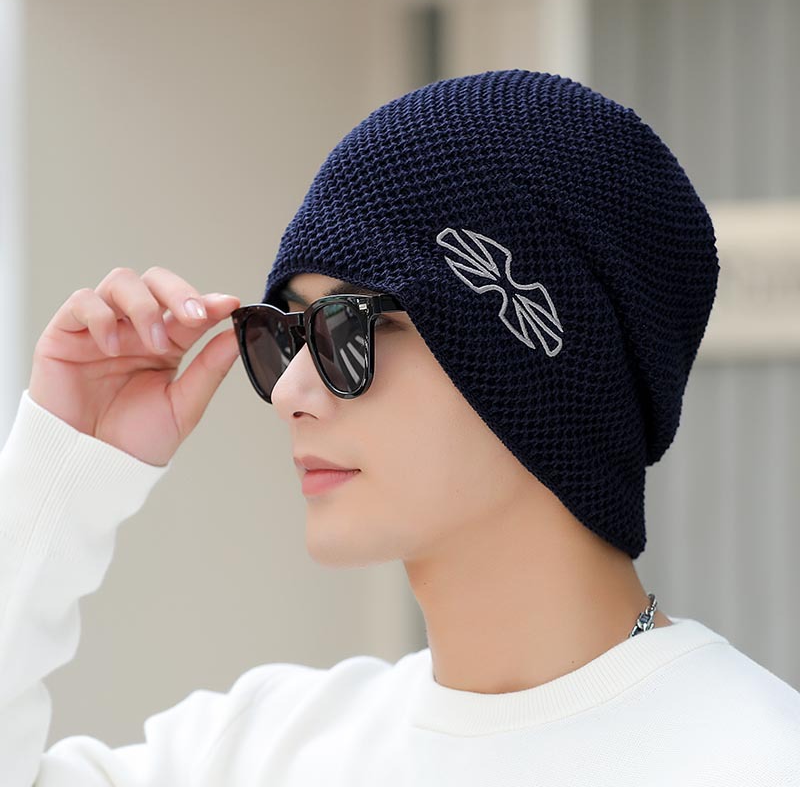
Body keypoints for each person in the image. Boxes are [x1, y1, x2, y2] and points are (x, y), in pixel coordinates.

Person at [1, 69, 798, 786]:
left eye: (348, 327)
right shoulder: (255, 751)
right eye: (284, 334)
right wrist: (64, 462)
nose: (291, 393)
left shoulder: (756, 759)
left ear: (539, 363)